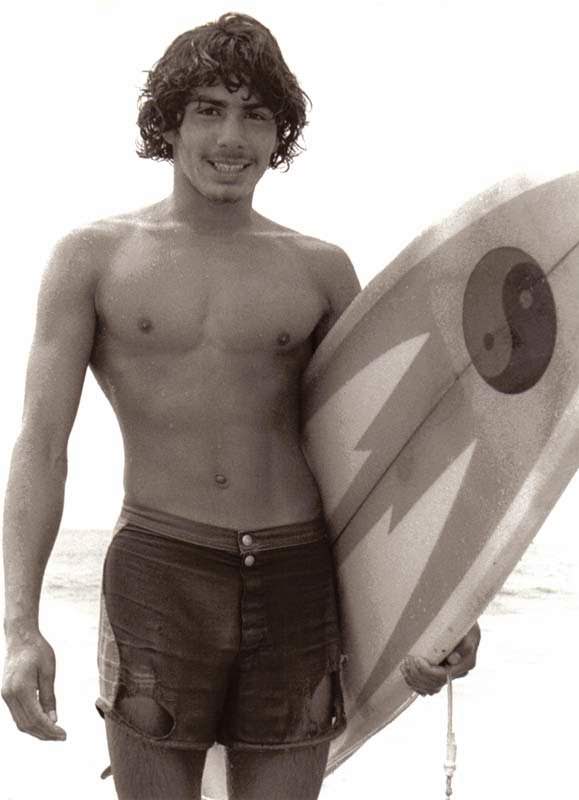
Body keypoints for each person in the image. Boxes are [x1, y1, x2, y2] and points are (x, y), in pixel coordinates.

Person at [2, 13, 480, 800]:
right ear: (169, 122)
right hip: (161, 570)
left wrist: (447, 603)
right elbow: (41, 445)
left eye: (256, 114)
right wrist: (20, 627)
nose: (232, 136)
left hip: (296, 575)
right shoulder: (93, 258)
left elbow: (389, 460)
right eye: (208, 110)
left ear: (280, 132)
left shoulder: (322, 270)